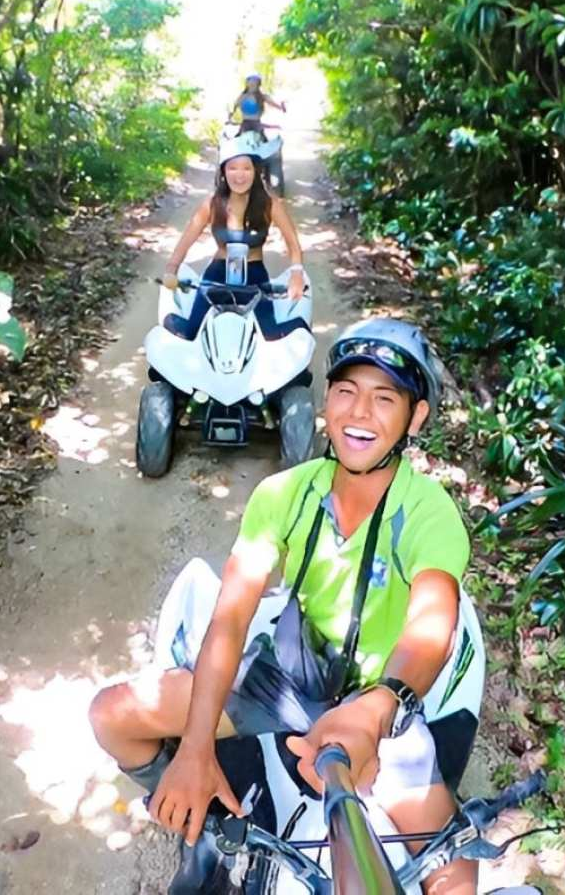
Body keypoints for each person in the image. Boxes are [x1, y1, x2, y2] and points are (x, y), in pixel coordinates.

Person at [89, 319, 477, 894]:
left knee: (454, 869)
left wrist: (377, 709)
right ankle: (209, 819)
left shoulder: (428, 512)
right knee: (112, 716)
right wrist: (194, 749)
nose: (359, 413)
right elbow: (230, 618)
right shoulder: (285, 493)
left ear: (415, 418)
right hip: (286, 679)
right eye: (346, 392)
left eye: (384, 398)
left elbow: (433, 622)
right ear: (326, 401)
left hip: (377, 703)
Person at [160, 137, 307, 341]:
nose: (239, 175)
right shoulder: (212, 204)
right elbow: (186, 240)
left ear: (256, 171)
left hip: (255, 276)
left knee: (270, 336)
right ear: (223, 171)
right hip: (217, 276)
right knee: (192, 333)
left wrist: (297, 273)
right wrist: (171, 269)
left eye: (246, 168)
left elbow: (293, 243)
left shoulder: (269, 204)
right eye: (233, 168)